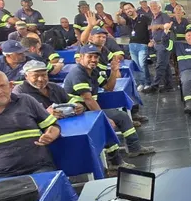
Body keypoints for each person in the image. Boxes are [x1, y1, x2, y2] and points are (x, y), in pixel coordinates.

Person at [64, 44, 155, 173]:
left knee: (122, 116)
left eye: (96, 57)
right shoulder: (78, 74)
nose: (93, 60)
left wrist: (113, 71)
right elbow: (88, 99)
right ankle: (115, 161)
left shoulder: (93, 71)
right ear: (81, 57)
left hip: (88, 110)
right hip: (78, 114)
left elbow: (108, 87)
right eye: (90, 56)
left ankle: (134, 148)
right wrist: (104, 118)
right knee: (105, 124)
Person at [0, 70, 60, 179]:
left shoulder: (27, 101)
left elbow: (53, 126)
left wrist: (51, 134)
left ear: (10, 86)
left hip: (38, 168)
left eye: (2, 86)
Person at [14, 60, 82, 117]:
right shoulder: (20, 91)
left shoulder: (54, 87)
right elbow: (19, 116)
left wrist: (78, 106)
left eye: (44, 75)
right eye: (35, 76)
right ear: (26, 76)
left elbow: (70, 100)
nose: (40, 79)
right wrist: (45, 114)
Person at [120, 2, 153, 91]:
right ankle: (140, 83)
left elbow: (151, 28)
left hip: (142, 44)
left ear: (134, 8)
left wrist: (151, 39)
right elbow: (120, 21)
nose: (128, 10)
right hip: (132, 45)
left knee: (142, 64)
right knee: (136, 65)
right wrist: (117, 15)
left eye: (129, 8)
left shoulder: (143, 17)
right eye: (126, 10)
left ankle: (147, 83)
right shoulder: (128, 20)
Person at [146, 1, 174, 92]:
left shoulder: (164, 16)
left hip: (164, 44)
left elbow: (168, 26)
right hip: (157, 44)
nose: (153, 8)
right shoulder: (153, 18)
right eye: (151, 6)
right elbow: (155, 31)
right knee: (165, 66)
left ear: (159, 7)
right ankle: (169, 86)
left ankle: (154, 86)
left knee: (160, 65)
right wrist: (153, 40)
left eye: (155, 6)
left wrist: (156, 26)